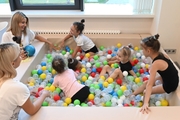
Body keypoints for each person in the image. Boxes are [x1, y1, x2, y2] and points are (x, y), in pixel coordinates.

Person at [0, 43, 50, 120]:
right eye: (19, 56)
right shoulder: (17, 87)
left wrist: (22, 96)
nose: (21, 56)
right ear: (12, 63)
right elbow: (32, 110)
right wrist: (44, 95)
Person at [132, 34, 179, 114]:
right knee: (145, 83)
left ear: (149, 51)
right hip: (168, 77)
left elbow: (150, 85)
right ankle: (132, 95)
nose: (141, 51)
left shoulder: (156, 64)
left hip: (170, 84)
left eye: (143, 49)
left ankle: (145, 109)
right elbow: (170, 71)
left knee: (146, 91)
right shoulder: (161, 54)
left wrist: (145, 102)